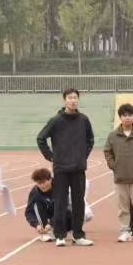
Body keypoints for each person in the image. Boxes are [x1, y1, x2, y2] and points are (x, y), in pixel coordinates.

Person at [36, 87, 94, 246]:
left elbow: (90, 139)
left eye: (75, 97)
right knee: (60, 203)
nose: (73, 100)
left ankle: (78, 235)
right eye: (70, 98)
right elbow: (41, 138)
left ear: (78, 99)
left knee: (78, 202)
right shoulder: (56, 120)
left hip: (78, 168)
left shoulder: (83, 119)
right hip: (61, 169)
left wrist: (83, 155)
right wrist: (51, 156)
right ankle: (60, 235)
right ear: (64, 100)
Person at [104, 103, 133, 243]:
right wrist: (113, 165)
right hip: (120, 177)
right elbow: (107, 152)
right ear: (120, 117)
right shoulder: (113, 136)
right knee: (123, 207)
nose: (127, 118)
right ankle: (125, 231)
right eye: (124, 115)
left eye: (130, 115)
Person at [24, 168, 63, 239]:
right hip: (47, 213)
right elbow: (28, 212)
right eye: (39, 183)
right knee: (36, 204)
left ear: (50, 180)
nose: (42, 186)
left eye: (44, 182)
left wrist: (51, 223)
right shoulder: (35, 192)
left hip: (62, 213)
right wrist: (36, 224)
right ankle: (43, 230)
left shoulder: (60, 187)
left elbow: (64, 207)